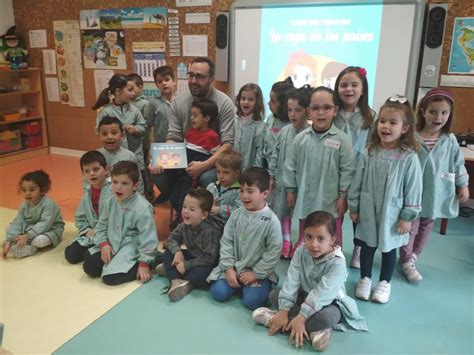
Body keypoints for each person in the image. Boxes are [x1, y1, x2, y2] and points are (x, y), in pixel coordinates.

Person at [252, 211, 368, 352]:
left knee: (328, 317)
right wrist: (283, 309)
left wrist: (302, 317)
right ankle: (312, 330)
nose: (313, 244)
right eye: (308, 237)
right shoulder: (301, 251)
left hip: (327, 303)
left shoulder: (337, 263)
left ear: (332, 239)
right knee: (274, 295)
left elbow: (321, 294)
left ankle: (276, 320)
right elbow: (292, 280)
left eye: (321, 239)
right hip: (303, 295)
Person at [348, 96, 422, 303]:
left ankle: (384, 282)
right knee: (367, 244)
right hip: (368, 208)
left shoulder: (408, 156)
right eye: (382, 121)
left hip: (394, 211)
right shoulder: (370, 152)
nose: (385, 126)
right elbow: (358, 180)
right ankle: (365, 277)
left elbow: (414, 188)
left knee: (389, 247)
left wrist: (407, 215)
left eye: (392, 122)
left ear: (405, 128)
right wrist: (354, 206)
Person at [399, 88, 469, 282]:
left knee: (425, 227)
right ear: (423, 111)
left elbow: (458, 164)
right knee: (410, 227)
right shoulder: (411, 137)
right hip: (413, 194)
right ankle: (405, 259)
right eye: (433, 112)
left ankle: (413, 256)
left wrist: (463, 185)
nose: (438, 117)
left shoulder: (450, 140)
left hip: (435, 194)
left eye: (444, 112)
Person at [284, 86, 355, 252]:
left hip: (330, 199)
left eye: (326, 108)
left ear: (335, 110)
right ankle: (306, 261)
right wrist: (291, 190)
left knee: (330, 234)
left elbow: (348, 170)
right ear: (309, 111)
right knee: (308, 230)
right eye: (315, 108)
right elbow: (290, 165)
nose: (321, 113)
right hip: (306, 197)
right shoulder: (301, 139)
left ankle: (333, 265)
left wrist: (343, 196)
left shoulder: (342, 140)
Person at [151, 57, 235, 191]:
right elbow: (174, 136)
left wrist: (204, 166)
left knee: (206, 178)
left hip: (212, 160)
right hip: (184, 156)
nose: (194, 81)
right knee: (158, 175)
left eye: (200, 77)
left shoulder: (224, 103)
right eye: (191, 76)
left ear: (211, 80)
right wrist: (160, 160)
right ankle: (182, 204)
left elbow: (228, 144)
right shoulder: (178, 102)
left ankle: (200, 208)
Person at [207, 167, 282, 310]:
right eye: (241, 190)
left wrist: (255, 274)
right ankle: (239, 284)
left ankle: (252, 287)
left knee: (253, 302)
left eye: (250, 191)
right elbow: (226, 241)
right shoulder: (236, 215)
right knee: (218, 292)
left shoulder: (271, 221)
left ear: (265, 193)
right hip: (234, 268)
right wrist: (228, 268)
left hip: (257, 273)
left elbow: (273, 253)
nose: (244, 196)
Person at [82, 161, 158, 285]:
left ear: (135, 185)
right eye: (115, 182)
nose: (118, 187)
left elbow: (148, 237)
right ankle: (117, 261)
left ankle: (152, 261)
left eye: (124, 183)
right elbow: (101, 226)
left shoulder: (142, 207)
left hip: (131, 246)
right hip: (112, 242)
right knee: (90, 267)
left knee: (110, 279)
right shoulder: (110, 201)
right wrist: (104, 244)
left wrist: (144, 264)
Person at [333, 66, 376, 269]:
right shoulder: (333, 114)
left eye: (353, 85)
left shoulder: (371, 117)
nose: (348, 89)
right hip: (336, 173)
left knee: (359, 213)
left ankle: (358, 248)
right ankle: (334, 246)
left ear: (363, 89)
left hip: (362, 175)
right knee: (336, 211)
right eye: (343, 85)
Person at [155, 188, 224, 301]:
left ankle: (172, 272)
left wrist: (185, 265)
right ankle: (175, 281)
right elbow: (172, 238)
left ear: (204, 215)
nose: (186, 211)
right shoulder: (185, 225)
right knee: (168, 252)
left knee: (204, 277)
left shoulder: (211, 231)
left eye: (192, 209)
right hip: (193, 257)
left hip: (207, 264)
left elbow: (209, 258)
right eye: (184, 207)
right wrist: (177, 252)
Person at [269, 86, 311, 258]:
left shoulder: (310, 134)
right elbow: (275, 153)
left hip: (302, 184)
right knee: (282, 210)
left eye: (298, 110)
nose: (293, 114)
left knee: (301, 213)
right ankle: (286, 240)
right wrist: (271, 175)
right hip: (282, 180)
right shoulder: (285, 131)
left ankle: (301, 240)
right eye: (290, 110)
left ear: (308, 111)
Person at [160, 99, 221, 218]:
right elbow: (182, 150)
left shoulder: (212, 136)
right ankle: (179, 215)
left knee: (184, 198)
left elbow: (215, 158)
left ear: (206, 118)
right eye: (191, 115)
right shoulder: (190, 132)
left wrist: (202, 166)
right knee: (174, 196)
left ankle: (182, 220)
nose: (191, 118)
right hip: (181, 171)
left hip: (193, 176)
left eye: (195, 115)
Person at [2, 170, 64, 259]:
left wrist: (28, 236)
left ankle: (31, 247)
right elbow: (19, 221)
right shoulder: (24, 205)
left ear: (42, 190)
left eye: (32, 189)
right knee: (9, 227)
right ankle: (18, 242)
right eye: (24, 190)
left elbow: (45, 224)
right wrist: (10, 240)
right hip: (30, 228)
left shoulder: (49, 204)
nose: (27, 193)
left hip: (50, 230)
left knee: (39, 241)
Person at [64, 151, 112, 264]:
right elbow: (80, 217)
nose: (92, 174)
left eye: (96, 169)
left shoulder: (114, 191)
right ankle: (92, 245)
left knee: (91, 262)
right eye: (87, 171)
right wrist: (86, 230)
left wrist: (101, 236)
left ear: (106, 170)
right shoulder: (87, 193)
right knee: (70, 255)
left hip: (108, 236)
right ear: (83, 174)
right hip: (92, 234)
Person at [94, 74, 146, 172]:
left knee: (137, 182)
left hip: (136, 155)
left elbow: (143, 127)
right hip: (115, 157)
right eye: (129, 90)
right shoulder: (106, 112)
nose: (133, 93)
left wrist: (136, 129)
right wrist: (113, 133)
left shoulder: (134, 110)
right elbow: (99, 131)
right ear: (118, 91)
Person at [96, 116, 144, 193]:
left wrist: (139, 198)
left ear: (122, 136)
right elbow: (87, 182)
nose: (109, 137)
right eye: (104, 134)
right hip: (102, 199)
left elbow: (138, 181)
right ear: (99, 136)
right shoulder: (95, 157)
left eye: (114, 133)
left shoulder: (129, 156)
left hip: (125, 198)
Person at [262, 77, 294, 169]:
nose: (268, 103)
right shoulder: (270, 119)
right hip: (267, 167)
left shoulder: (292, 125)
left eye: (273, 101)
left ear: (284, 104)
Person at [233, 83, 265, 170]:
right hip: (233, 170)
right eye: (243, 98)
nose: (246, 102)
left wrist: (256, 171)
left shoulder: (259, 125)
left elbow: (259, 150)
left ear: (257, 102)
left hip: (249, 170)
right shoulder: (234, 121)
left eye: (251, 99)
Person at [206, 150, 242, 221]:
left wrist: (220, 210)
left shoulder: (240, 191)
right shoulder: (211, 187)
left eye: (225, 173)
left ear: (236, 174)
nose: (221, 176)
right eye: (218, 172)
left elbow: (240, 212)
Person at [144, 65, 177, 144]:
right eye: (160, 81)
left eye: (167, 80)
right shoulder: (153, 102)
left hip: (179, 144)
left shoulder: (181, 100)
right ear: (156, 85)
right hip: (160, 144)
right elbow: (150, 127)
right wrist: (151, 148)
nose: (164, 83)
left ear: (174, 81)